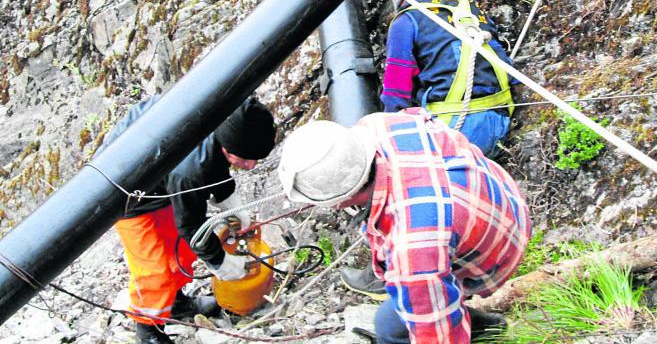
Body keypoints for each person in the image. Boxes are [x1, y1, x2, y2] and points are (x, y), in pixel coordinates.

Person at [278, 109, 531, 344]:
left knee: (390, 327)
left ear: (338, 202)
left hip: (497, 249)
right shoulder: (377, 125)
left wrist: (422, 296)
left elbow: (437, 336)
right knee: (412, 285)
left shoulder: (414, 246)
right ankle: (478, 320)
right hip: (502, 196)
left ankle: (477, 326)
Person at [99, 95, 276, 344]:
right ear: (228, 146)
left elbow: (215, 168)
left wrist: (234, 208)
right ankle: (148, 330)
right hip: (125, 195)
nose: (250, 165)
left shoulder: (219, 121)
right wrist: (221, 263)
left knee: (180, 253)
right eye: (245, 159)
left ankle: (176, 303)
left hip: (160, 181)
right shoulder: (189, 169)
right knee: (155, 270)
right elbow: (191, 225)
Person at [381, 0, 516, 158]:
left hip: (454, 131)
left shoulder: (406, 21)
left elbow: (396, 93)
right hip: (500, 121)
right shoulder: (470, 9)